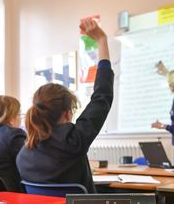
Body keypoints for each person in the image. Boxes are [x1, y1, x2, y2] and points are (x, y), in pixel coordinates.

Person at [16, 17, 114, 193]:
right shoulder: (74, 140)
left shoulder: (23, 155)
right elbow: (102, 96)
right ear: (68, 114)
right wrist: (102, 40)